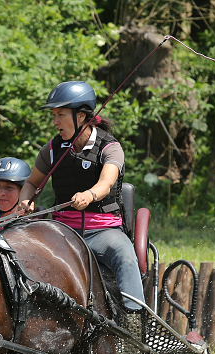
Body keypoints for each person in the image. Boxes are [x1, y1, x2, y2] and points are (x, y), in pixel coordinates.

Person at [17, 81, 146, 332]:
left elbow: (106, 183)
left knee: (124, 254)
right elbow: (31, 183)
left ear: (81, 115)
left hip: (102, 233)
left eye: (60, 115)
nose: (55, 122)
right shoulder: (52, 150)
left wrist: (90, 194)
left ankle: (133, 323)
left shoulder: (111, 148)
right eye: (53, 116)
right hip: (62, 234)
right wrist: (26, 198)